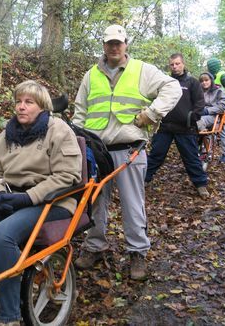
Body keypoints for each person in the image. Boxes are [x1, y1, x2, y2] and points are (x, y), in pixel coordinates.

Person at [0, 80, 82, 326]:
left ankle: (10, 316)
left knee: (3, 234)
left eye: (29, 102)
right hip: (12, 200)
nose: (21, 107)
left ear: (42, 106)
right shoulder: (6, 135)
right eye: (18, 102)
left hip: (51, 202)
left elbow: (68, 176)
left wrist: (28, 197)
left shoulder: (58, 130)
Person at [72, 24, 181, 280]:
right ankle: (94, 246)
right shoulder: (90, 75)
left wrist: (151, 114)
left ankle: (137, 253)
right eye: (109, 43)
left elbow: (173, 88)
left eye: (118, 43)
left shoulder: (142, 70)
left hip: (129, 149)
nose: (113, 47)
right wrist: (78, 143)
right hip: (96, 150)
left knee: (132, 203)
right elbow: (80, 112)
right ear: (103, 45)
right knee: (95, 201)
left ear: (125, 44)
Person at [144, 53, 208, 199]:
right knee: (155, 155)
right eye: (172, 64)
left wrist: (191, 118)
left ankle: (201, 185)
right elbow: (155, 99)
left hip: (185, 128)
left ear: (183, 64)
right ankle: (143, 180)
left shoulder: (192, 82)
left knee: (191, 157)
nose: (175, 67)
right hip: (165, 127)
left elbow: (199, 103)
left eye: (177, 63)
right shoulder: (165, 82)